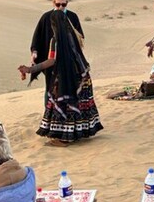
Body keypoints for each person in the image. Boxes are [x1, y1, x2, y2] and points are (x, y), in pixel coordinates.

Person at [18, 9, 103, 146]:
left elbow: (51, 61)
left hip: (66, 78)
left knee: (62, 104)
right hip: (82, 76)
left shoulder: (55, 40)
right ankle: (79, 134)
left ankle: (64, 138)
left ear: (53, 25)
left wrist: (30, 69)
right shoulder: (74, 35)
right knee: (80, 104)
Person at [29, 0, 84, 94]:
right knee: (51, 86)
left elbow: (80, 37)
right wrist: (34, 52)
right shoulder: (46, 17)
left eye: (64, 4)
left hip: (69, 59)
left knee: (69, 85)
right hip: (50, 59)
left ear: (67, 3)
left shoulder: (72, 17)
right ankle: (49, 110)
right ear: (53, 2)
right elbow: (37, 37)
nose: (60, 7)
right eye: (58, 4)